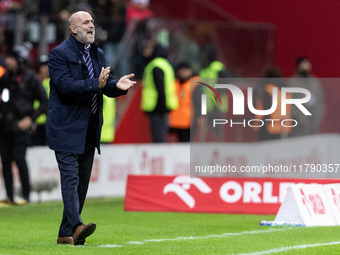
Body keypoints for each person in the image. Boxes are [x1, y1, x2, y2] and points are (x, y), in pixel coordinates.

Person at [47, 11, 135, 245]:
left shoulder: (97, 53)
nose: (91, 26)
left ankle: (65, 233)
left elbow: (106, 85)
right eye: (86, 22)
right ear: (73, 29)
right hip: (65, 127)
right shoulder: (58, 54)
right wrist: (96, 83)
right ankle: (77, 226)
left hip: (89, 127)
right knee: (71, 180)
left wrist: (119, 86)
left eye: (93, 22)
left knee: (82, 181)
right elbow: (65, 86)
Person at [0, 42, 48, 205]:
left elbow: (44, 101)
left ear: (19, 60)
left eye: (11, 58)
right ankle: (10, 196)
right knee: (5, 160)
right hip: (5, 125)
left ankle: (26, 196)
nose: (8, 61)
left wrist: (31, 118)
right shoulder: (5, 78)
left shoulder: (31, 78)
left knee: (20, 158)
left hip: (22, 127)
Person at [141, 42, 178, 143]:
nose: (145, 51)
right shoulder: (165, 64)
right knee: (161, 137)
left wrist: (161, 109)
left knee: (158, 139)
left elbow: (160, 88)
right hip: (163, 107)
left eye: (148, 49)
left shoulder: (155, 66)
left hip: (157, 108)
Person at [287, 56, 325, 137]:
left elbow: (320, 101)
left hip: (314, 125)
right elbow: (290, 105)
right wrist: (300, 120)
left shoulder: (315, 82)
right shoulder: (292, 83)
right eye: (303, 65)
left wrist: (317, 119)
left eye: (307, 65)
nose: (306, 67)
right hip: (299, 126)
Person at [169, 62, 198, 142]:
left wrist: (198, 118)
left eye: (185, 70)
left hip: (190, 120)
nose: (183, 73)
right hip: (177, 120)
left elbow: (199, 103)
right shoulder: (176, 83)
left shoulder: (195, 83)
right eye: (181, 71)